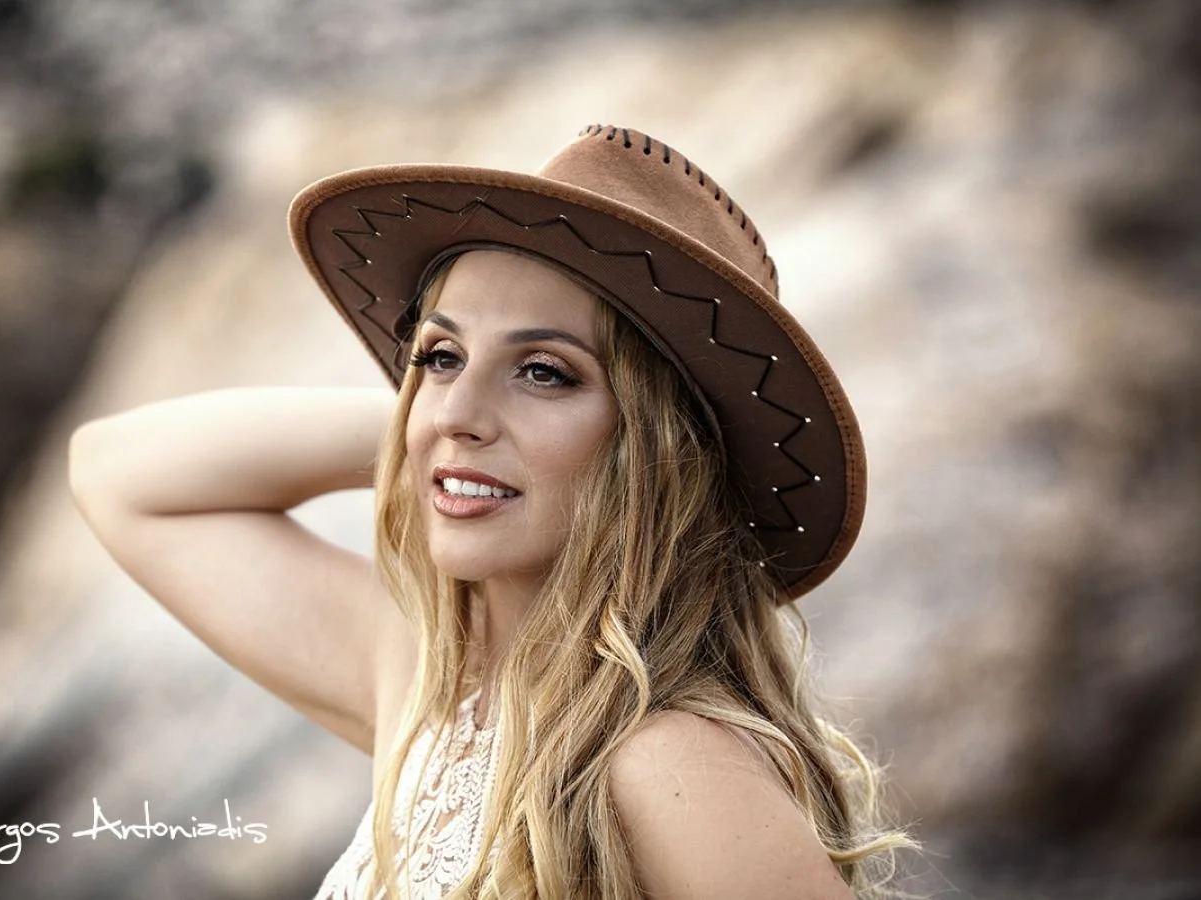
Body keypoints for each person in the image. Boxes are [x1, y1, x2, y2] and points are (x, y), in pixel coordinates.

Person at [69, 124, 915, 899]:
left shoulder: (670, 762)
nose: (455, 407)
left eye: (545, 371)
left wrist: (466, 435)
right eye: (439, 355)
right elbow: (116, 472)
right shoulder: (426, 682)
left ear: (662, 453)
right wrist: (430, 433)